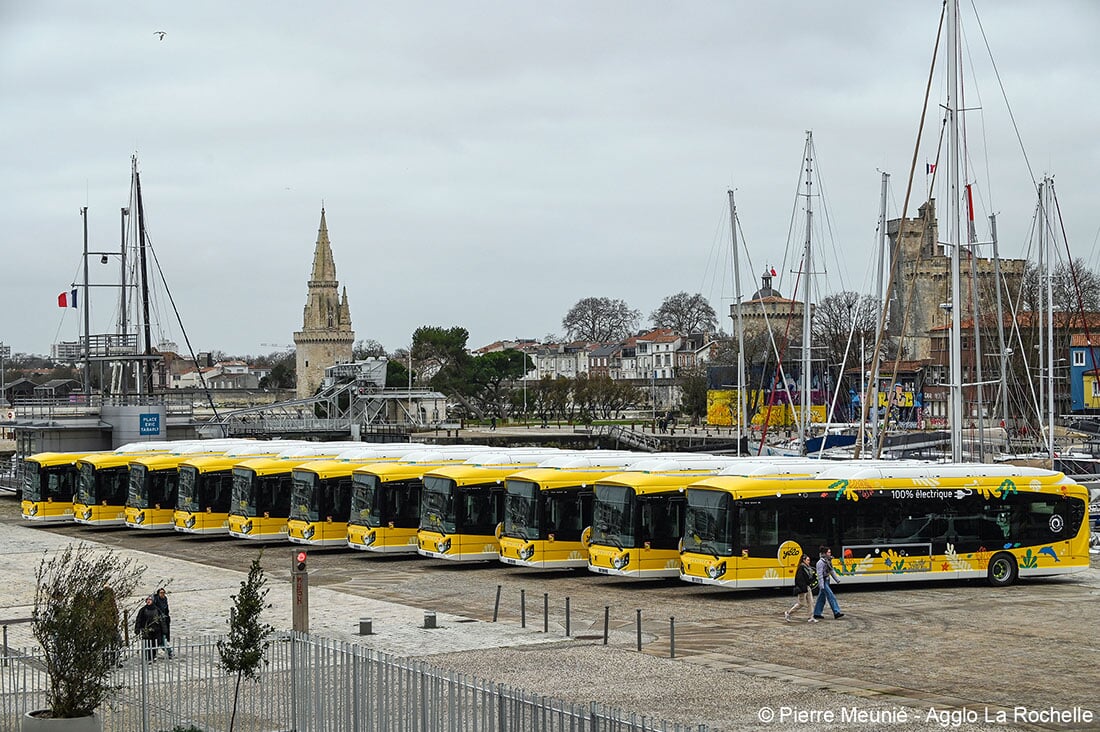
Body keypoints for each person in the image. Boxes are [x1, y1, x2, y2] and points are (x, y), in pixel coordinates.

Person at [812, 545, 845, 620]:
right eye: (829, 552)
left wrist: (837, 580)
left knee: (821, 598)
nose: (830, 553)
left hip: (826, 580)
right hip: (823, 581)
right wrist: (821, 585)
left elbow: (831, 571)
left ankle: (817, 613)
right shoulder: (820, 563)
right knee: (831, 596)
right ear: (825, 553)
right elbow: (819, 575)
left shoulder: (828, 561)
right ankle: (836, 612)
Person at [784, 554, 816, 623]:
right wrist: (803, 588)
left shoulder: (807, 568)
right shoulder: (801, 568)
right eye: (808, 560)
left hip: (807, 587)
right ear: (804, 560)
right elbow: (799, 580)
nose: (809, 561)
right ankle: (788, 613)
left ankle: (811, 617)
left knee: (811, 602)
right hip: (803, 588)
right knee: (801, 603)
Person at [135, 595, 164, 661]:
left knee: (155, 644)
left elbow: (161, 620)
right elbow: (139, 619)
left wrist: (164, 629)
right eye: (147, 599)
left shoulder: (157, 609)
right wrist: (137, 628)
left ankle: (153, 656)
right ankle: (148, 657)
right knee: (147, 644)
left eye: (150, 599)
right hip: (146, 630)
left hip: (156, 630)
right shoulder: (143, 610)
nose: (148, 601)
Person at [153, 587, 173, 659]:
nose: (163, 594)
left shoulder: (165, 599)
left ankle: (169, 651)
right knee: (159, 639)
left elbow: (166, 609)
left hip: (165, 621)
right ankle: (168, 651)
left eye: (163, 593)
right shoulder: (155, 600)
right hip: (158, 621)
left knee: (164, 638)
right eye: (161, 593)